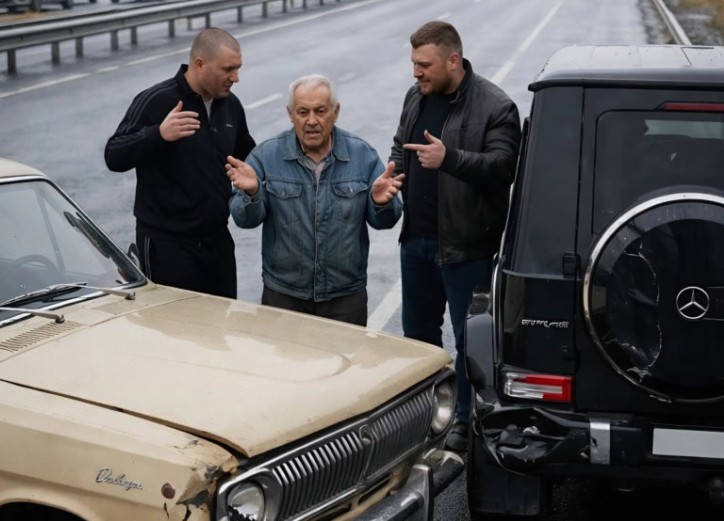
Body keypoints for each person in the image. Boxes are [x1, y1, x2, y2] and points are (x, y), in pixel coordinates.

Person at [389, 21, 522, 451]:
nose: (416, 73)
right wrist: (392, 177)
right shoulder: (416, 96)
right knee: (418, 339)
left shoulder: (495, 107)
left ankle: (464, 420)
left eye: (424, 65)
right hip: (417, 242)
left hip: (467, 248)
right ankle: (425, 417)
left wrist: (450, 159)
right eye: (414, 64)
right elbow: (401, 145)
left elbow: (503, 168)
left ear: (452, 60)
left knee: (468, 343)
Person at [227, 74, 404, 326]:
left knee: (346, 354)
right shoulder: (266, 155)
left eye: (320, 111)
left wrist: (381, 203)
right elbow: (244, 220)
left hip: (345, 297)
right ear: (290, 114)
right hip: (284, 296)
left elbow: (385, 221)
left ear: (335, 112)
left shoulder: (362, 155)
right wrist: (251, 193)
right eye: (303, 112)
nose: (311, 121)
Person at [104, 27, 256, 299]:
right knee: (172, 324)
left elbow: (248, 154)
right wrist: (157, 134)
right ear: (199, 64)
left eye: (238, 68)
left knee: (222, 322)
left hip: (217, 243)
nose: (236, 78)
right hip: (167, 246)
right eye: (228, 69)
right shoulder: (158, 100)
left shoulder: (230, 105)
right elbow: (114, 155)